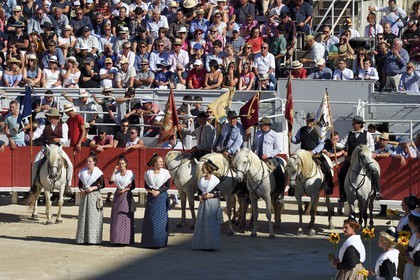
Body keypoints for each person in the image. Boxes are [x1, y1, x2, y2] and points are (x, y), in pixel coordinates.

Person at [30, 108, 73, 192]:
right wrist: (33, 136)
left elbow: (66, 138)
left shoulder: (64, 125)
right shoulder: (43, 124)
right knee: (34, 165)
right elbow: (38, 133)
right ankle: (33, 185)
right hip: (46, 149)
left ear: (58, 118)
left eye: (55, 117)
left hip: (58, 149)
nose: (52, 119)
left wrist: (59, 140)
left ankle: (68, 184)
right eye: (51, 117)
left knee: (70, 165)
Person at [338, 116, 378, 204]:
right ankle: (342, 195)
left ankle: (376, 190)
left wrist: (367, 154)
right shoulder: (349, 134)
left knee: (374, 171)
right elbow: (342, 144)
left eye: (354, 123)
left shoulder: (367, 134)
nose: (352, 124)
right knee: (341, 173)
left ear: (360, 124)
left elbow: (372, 147)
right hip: (351, 160)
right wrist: (335, 143)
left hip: (363, 160)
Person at [291, 113, 334, 195]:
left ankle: (329, 186)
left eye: (311, 120)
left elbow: (321, 144)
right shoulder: (302, 130)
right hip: (303, 155)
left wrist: (313, 151)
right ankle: (292, 187)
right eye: (308, 120)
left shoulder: (319, 130)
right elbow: (296, 140)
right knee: (292, 167)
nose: (309, 122)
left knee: (327, 168)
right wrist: (290, 137)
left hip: (315, 154)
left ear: (315, 121)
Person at [141, 153, 171, 249]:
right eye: (160, 162)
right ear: (154, 163)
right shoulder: (148, 173)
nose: (162, 163)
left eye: (162, 162)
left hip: (161, 198)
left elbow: (167, 186)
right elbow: (146, 186)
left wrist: (158, 191)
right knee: (150, 220)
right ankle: (149, 242)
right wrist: (151, 191)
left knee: (161, 221)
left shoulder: (165, 173)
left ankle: (160, 242)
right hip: (151, 198)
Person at [192, 160, 222, 250]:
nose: (202, 169)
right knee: (202, 222)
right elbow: (199, 191)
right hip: (203, 204)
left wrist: (210, 195)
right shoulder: (201, 180)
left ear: (209, 169)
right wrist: (200, 197)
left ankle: (212, 245)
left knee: (212, 223)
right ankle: (202, 244)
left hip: (212, 203)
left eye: (204, 168)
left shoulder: (215, 180)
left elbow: (219, 193)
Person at [75, 152, 105, 245]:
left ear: (94, 162)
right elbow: (80, 184)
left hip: (94, 196)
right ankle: (82, 239)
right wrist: (81, 190)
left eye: (90, 161)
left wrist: (93, 188)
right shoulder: (82, 172)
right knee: (84, 216)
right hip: (85, 196)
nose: (88, 163)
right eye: (87, 161)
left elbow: (103, 185)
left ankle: (94, 239)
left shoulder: (98, 172)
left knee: (93, 217)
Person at [252, 117, 285, 198]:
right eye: (262, 125)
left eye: (265, 125)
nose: (263, 126)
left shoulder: (274, 134)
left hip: (269, 158)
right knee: (247, 171)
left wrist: (268, 155)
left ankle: (280, 191)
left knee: (279, 171)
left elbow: (278, 149)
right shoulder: (257, 134)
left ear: (268, 126)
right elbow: (254, 145)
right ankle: (248, 193)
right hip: (258, 158)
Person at [109, 156, 135, 245]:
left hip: (126, 195)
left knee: (125, 216)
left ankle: (125, 240)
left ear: (126, 164)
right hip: (118, 195)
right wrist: (114, 170)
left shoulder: (130, 173)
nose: (121, 165)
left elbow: (133, 186)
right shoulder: (116, 173)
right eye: (119, 164)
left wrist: (125, 190)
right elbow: (110, 181)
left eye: (123, 163)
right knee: (116, 216)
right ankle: (116, 239)